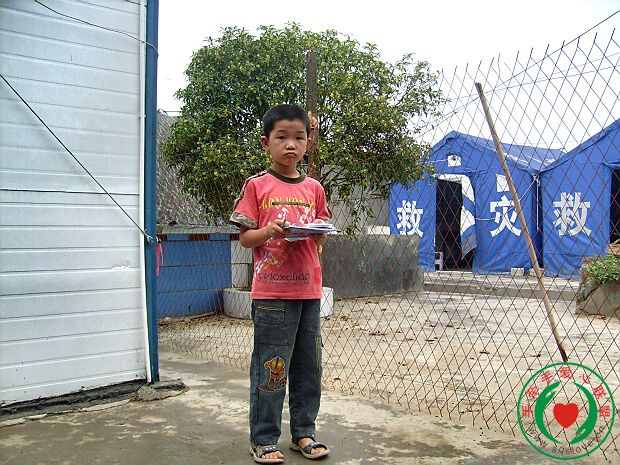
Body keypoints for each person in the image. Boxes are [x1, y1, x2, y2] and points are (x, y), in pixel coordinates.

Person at [230, 104, 332, 463]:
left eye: (299, 138)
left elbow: (322, 232)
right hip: (272, 293)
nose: (291, 145)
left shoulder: (314, 188)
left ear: (308, 143)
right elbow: (245, 238)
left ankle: (304, 433)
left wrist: (316, 234)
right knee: (272, 367)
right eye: (282, 137)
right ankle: (263, 438)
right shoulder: (257, 185)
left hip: (308, 291)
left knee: (308, 367)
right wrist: (269, 232)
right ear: (266, 142)